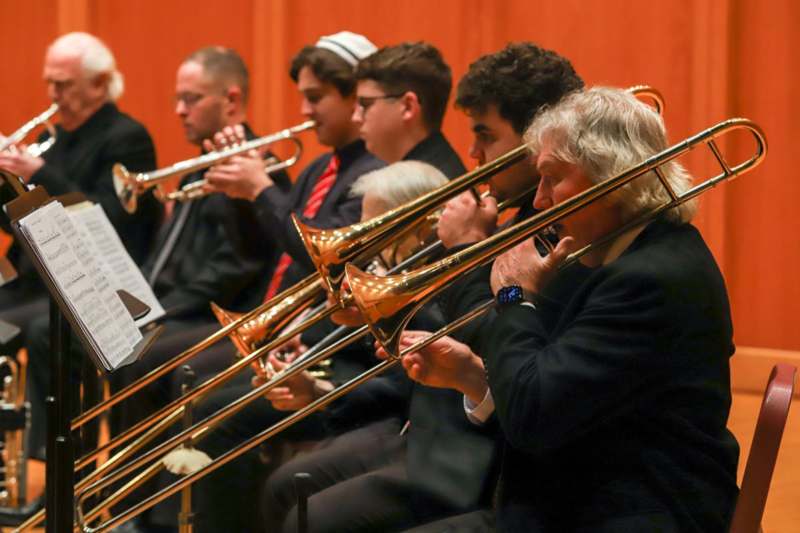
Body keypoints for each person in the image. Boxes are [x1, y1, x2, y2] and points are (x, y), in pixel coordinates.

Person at [259, 42, 586, 533]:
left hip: (475, 452)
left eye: (485, 136)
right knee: (290, 489)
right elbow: (472, 323)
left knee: (316, 514)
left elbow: (504, 326)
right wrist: (381, 314)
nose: (474, 155)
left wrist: (463, 254)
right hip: (434, 425)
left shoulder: (560, 239)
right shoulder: (516, 219)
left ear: (539, 141)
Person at [385, 87, 740, 532]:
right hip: (579, 490)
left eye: (552, 177)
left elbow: (535, 416)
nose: (538, 200)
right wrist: (472, 377)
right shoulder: (619, 256)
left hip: (636, 509)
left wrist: (514, 295)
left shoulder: (650, 279)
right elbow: (554, 391)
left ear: (613, 176)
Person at [172, 31, 384, 533]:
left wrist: (262, 187)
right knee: (185, 376)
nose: (306, 112)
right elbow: (266, 249)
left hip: (319, 347)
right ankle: (178, 518)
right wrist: (239, 193)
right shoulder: (318, 168)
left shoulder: (370, 177)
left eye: (316, 98)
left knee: (206, 397)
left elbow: (323, 259)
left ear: (357, 98)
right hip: (275, 329)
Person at [0, 32, 161, 327]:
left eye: (62, 84)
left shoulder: (128, 137)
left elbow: (109, 217)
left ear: (99, 84)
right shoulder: (51, 138)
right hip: (34, 279)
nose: (52, 93)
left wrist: (38, 174)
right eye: (49, 82)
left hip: (89, 287)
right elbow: (19, 226)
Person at [353, 41, 465, 177]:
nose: (356, 118)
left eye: (365, 104)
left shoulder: (429, 184)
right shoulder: (433, 167)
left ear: (408, 107)